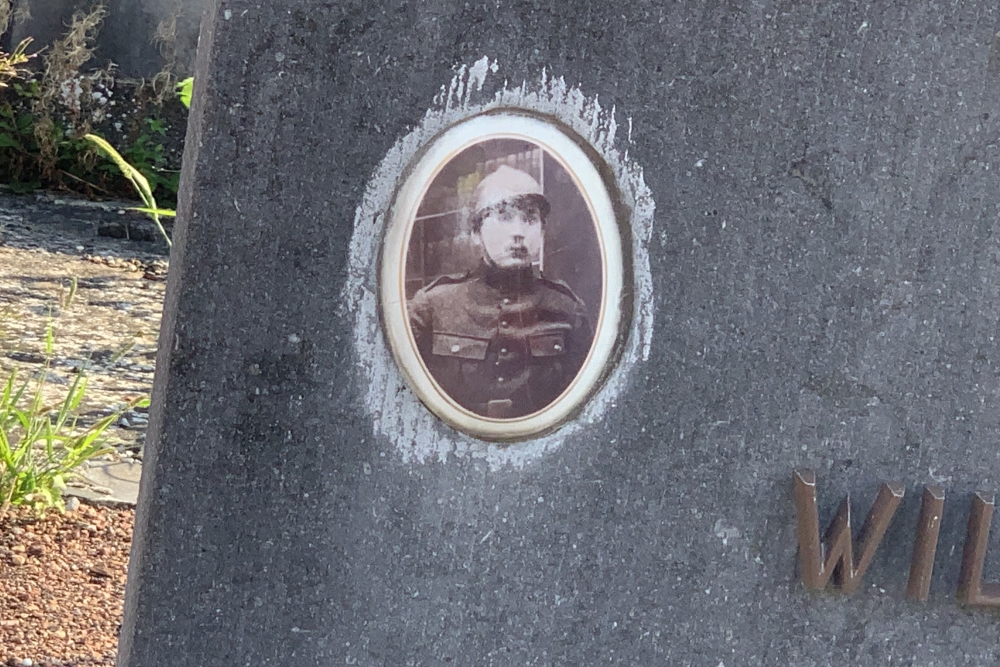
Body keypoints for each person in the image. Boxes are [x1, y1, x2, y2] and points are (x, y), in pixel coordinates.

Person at [408, 165, 592, 419]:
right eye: (503, 216)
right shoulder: (431, 307)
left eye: (530, 218)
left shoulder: (568, 310)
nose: (518, 232)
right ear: (475, 232)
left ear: (542, 230)